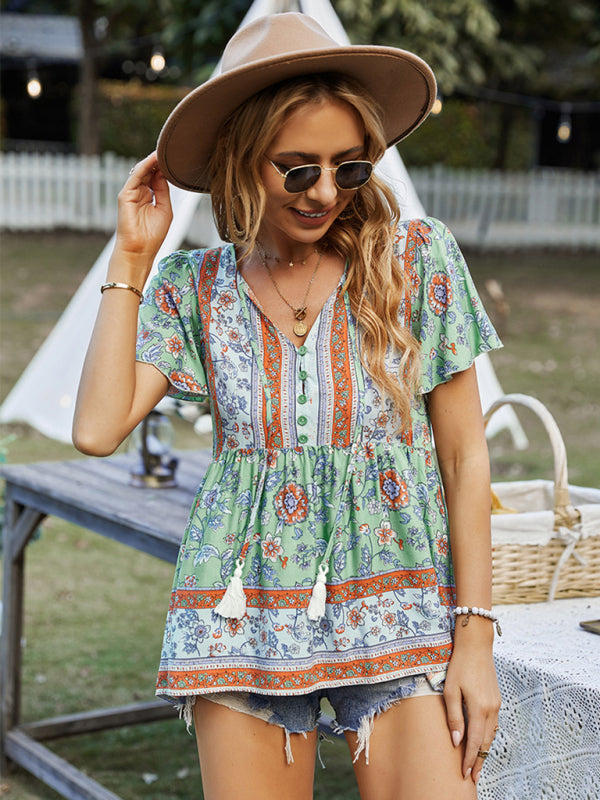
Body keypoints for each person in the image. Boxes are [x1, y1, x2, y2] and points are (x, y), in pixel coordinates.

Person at [73, 12, 502, 800]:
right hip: (242, 616)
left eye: (351, 167)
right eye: (296, 170)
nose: (326, 192)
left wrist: (473, 636)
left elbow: (465, 456)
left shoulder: (417, 260)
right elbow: (97, 429)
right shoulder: (193, 289)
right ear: (243, 160)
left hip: (403, 601)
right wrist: (133, 254)